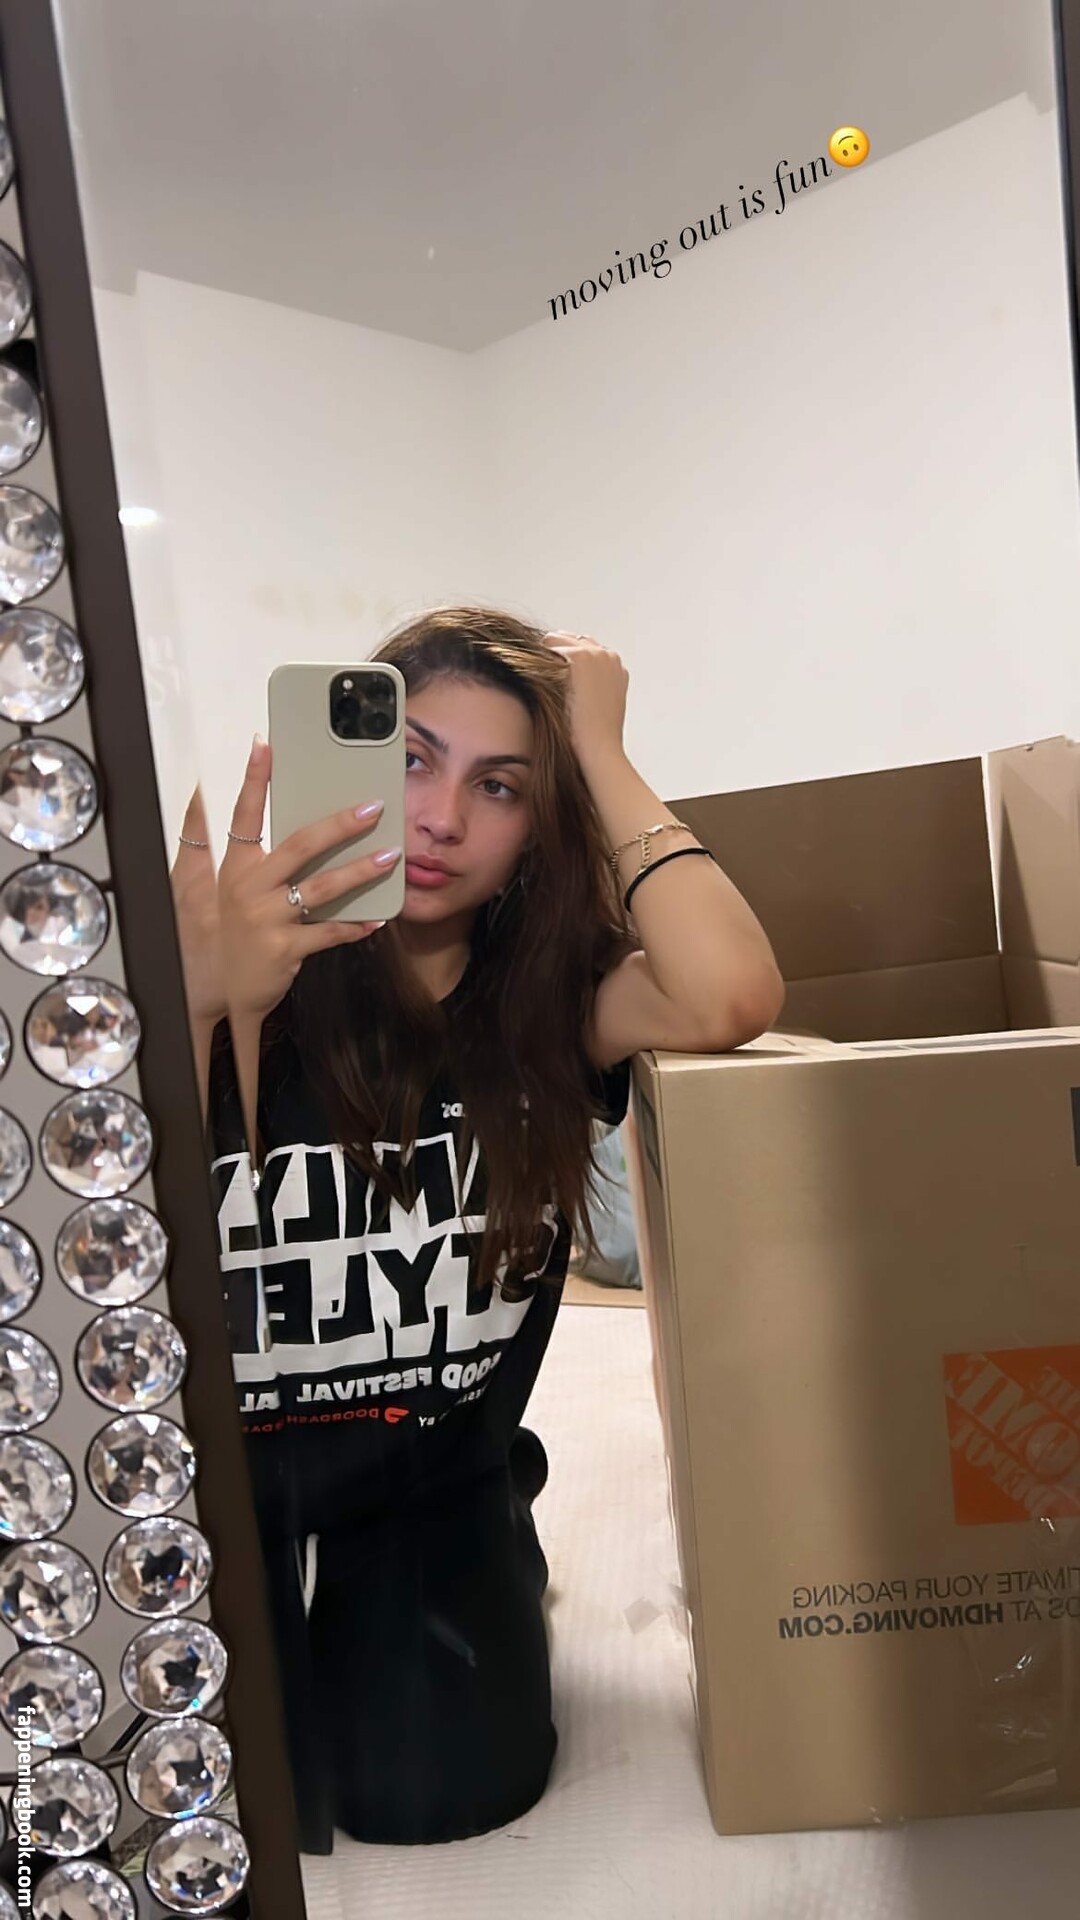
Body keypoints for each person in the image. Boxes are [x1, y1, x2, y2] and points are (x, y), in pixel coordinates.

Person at [171, 607, 783, 1853]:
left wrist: (600, 751)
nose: (441, 818)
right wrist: (191, 1005)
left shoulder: (553, 1006)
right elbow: (104, 1228)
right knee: (175, 1805)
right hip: (214, 1489)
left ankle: (502, 1534)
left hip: (431, 1481)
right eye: (409, 760)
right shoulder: (237, 970)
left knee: (433, 1802)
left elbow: (730, 993)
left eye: (498, 786)